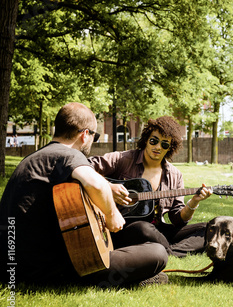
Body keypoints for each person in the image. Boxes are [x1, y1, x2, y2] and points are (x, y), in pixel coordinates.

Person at [0, 103, 168, 287]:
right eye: (94, 136)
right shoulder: (69, 154)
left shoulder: (36, 158)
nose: (92, 141)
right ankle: (125, 280)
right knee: (157, 252)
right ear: (84, 134)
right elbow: (95, 184)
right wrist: (112, 215)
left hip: (13, 266)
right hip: (51, 270)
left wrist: (109, 186)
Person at [89, 116, 212, 259]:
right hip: (123, 228)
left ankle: (167, 252)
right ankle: (171, 250)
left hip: (158, 230)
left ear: (170, 148)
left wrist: (194, 202)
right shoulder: (123, 159)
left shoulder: (175, 175)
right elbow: (85, 166)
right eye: (154, 141)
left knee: (207, 229)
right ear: (146, 140)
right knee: (143, 228)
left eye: (164, 144)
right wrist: (108, 186)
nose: (158, 147)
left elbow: (177, 219)